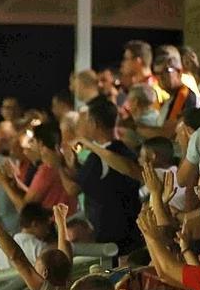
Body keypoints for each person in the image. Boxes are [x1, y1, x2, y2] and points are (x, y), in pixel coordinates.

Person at [52, 97, 142, 253]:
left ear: (94, 123)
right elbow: (84, 180)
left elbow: (74, 188)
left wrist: (58, 164)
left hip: (121, 242)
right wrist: (72, 164)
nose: (80, 127)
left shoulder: (116, 154)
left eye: (84, 122)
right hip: (108, 238)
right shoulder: (99, 156)